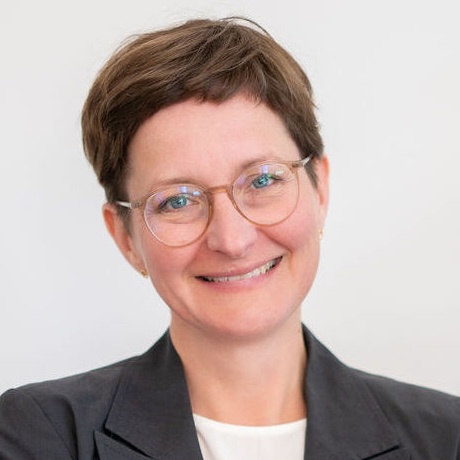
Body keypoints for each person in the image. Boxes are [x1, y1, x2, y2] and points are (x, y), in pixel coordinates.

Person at [0, 17, 458, 460]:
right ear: (125, 237)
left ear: (320, 190)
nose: (232, 239)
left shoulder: (447, 438)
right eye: (177, 201)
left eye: (262, 180)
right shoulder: (42, 437)